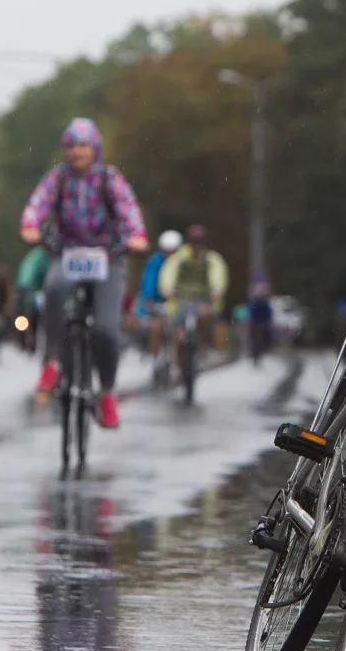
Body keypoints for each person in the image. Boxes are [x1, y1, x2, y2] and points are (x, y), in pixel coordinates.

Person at [19, 117, 148, 429]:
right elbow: (37, 204)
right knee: (52, 288)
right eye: (71, 146)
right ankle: (51, 361)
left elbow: (129, 209)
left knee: (106, 328)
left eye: (83, 145)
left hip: (108, 258)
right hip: (68, 254)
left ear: (95, 149)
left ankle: (106, 393)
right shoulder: (58, 178)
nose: (77, 152)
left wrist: (136, 235)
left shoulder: (109, 179)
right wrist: (31, 226)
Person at [158, 224, 229, 367]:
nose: (197, 246)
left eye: (200, 242)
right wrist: (168, 289)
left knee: (204, 316)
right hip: (181, 302)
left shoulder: (210, 259)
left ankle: (203, 346)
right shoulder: (179, 258)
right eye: (194, 242)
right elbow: (169, 274)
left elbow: (217, 274)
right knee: (179, 335)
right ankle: (178, 364)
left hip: (202, 300)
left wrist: (217, 290)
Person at [139, 229, 179, 358]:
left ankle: (178, 360)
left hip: (176, 303)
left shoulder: (181, 263)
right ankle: (156, 357)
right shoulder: (155, 263)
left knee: (179, 331)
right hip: (158, 302)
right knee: (156, 328)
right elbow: (148, 282)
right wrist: (149, 299)